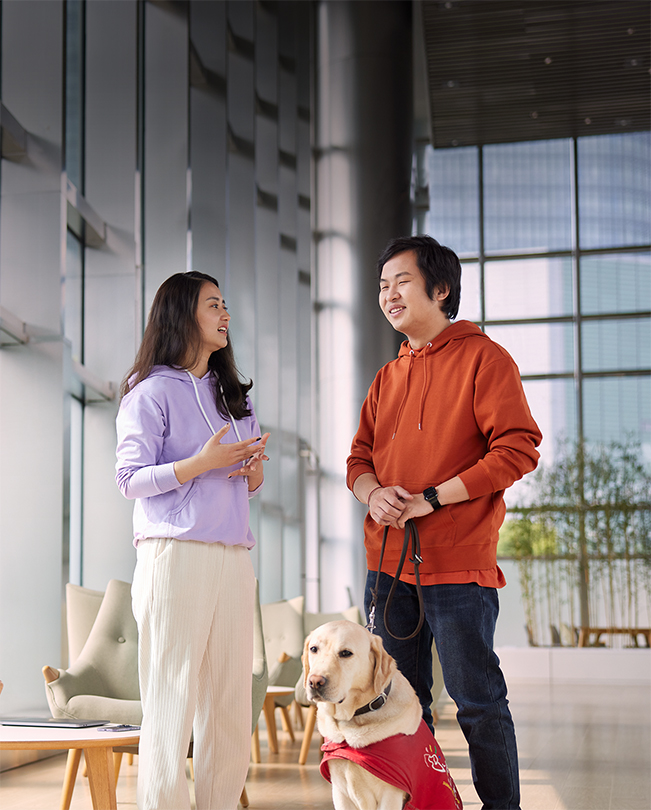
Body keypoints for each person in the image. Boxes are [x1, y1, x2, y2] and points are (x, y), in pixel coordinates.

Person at [346, 235, 542, 810]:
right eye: (382, 286)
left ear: (441, 289)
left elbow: (518, 448)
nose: (388, 295)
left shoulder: (486, 359)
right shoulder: (387, 377)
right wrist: (373, 492)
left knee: (478, 703)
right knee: (398, 705)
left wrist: (433, 498)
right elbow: (358, 460)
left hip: (458, 564)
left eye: (401, 282)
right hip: (387, 567)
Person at [115, 271, 270, 810]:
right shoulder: (149, 392)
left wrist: (252, 470)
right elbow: (130, 480)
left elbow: (250, 484)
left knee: (230, 702)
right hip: (173, 555)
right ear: (183, 314)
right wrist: (198, 464)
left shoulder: (232, 397)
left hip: (232, 558)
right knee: (171, 700)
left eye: (225, 304)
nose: (225, 314)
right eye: (213, 305)